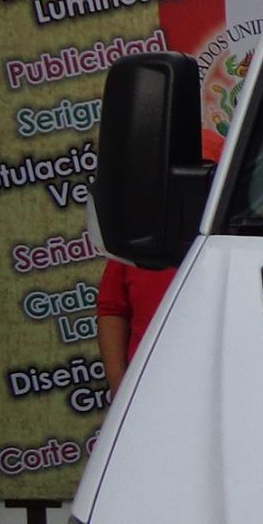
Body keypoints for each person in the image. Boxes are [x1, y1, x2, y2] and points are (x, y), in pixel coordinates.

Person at [93, 127, 225, 394]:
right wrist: (121, 390)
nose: (186, 186)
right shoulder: (140, 238)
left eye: (200, 175)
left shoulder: (236, 240)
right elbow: (112, 310)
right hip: (151, 391)